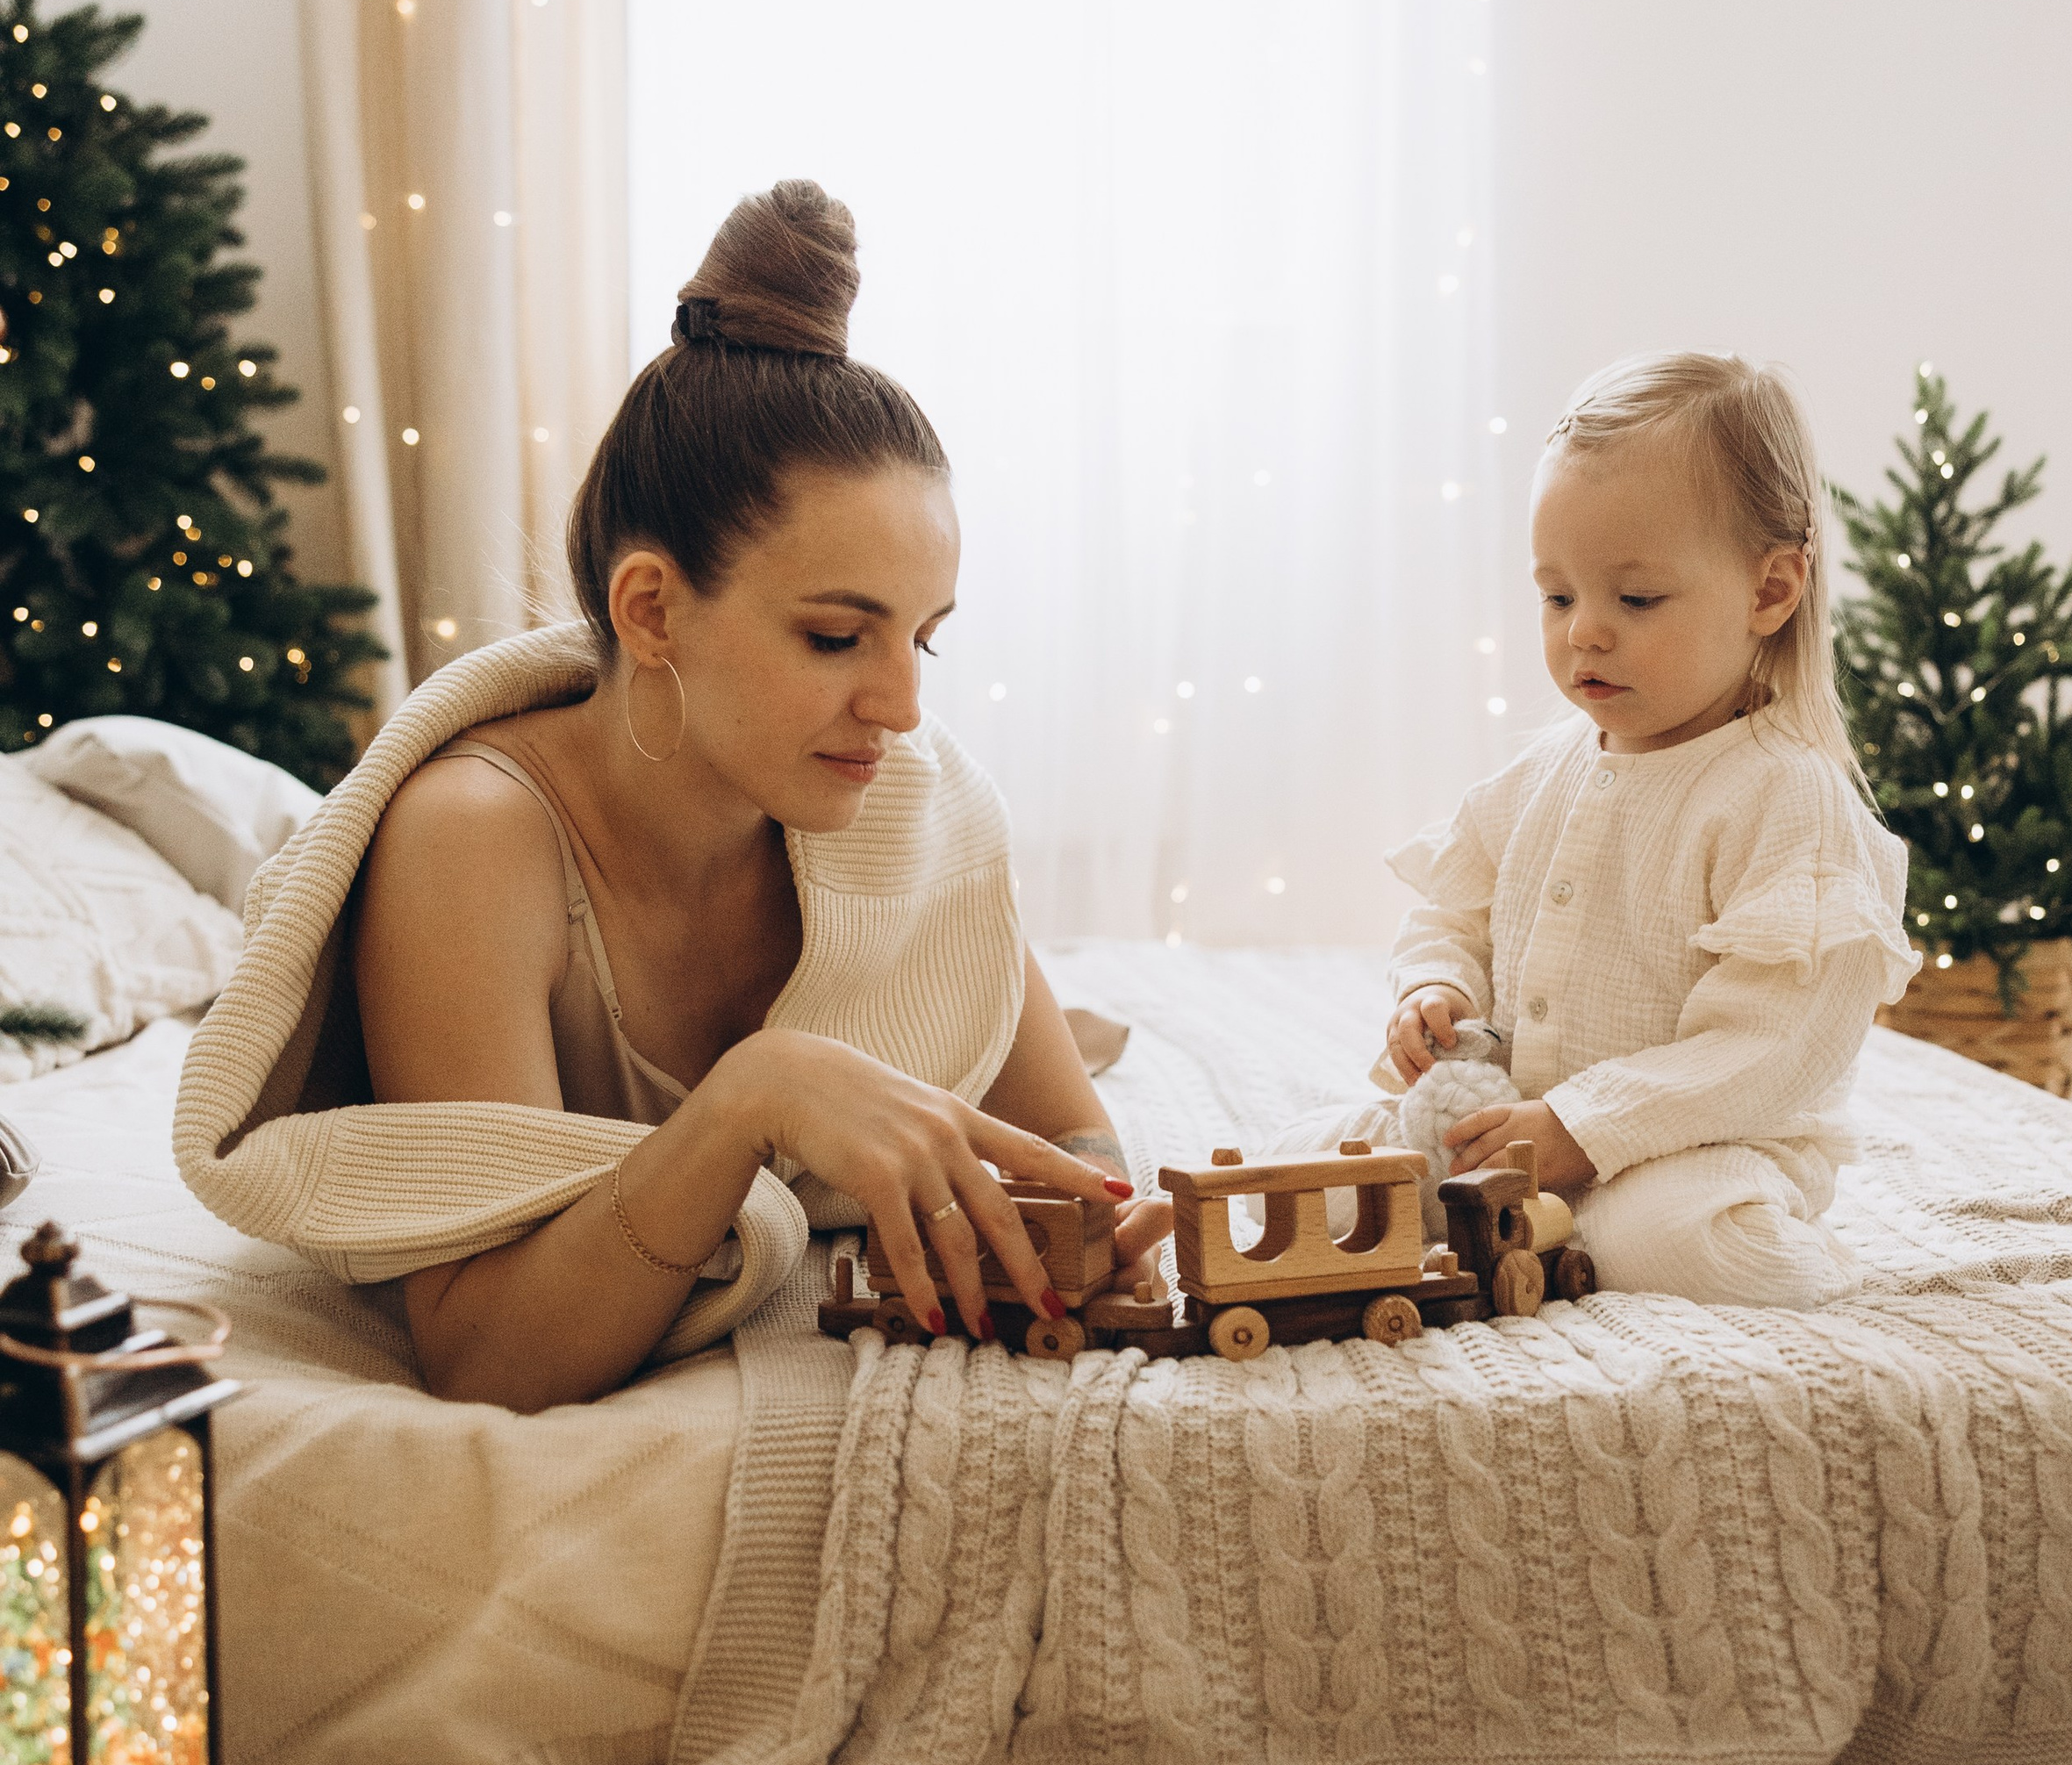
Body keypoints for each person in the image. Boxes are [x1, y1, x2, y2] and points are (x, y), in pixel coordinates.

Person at [352, 180, 1165, 1408]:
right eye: (839, 639)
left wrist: (1081, 1227)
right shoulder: (475, 843)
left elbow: (1079, 1148)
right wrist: (754, 1096)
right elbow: (486, 1354)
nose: (902, 707)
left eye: (923, 640)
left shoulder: (910, 805)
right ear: (652, 610)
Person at [1308, 353, 1918, 1306]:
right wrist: (1435, 986)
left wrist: (1587, 1127)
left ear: (1770, 591)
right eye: (1557, 596)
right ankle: (1520, 1233)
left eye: (1634, 600)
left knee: (1696, 1245)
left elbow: (1771, 1046)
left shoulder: (1784, 798)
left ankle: (1561, 1240)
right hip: (1499, 1133)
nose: (1584, 632)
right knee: (1313, 1177)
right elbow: (1456, 913)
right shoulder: (1540, 772)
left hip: (1690, 1148)